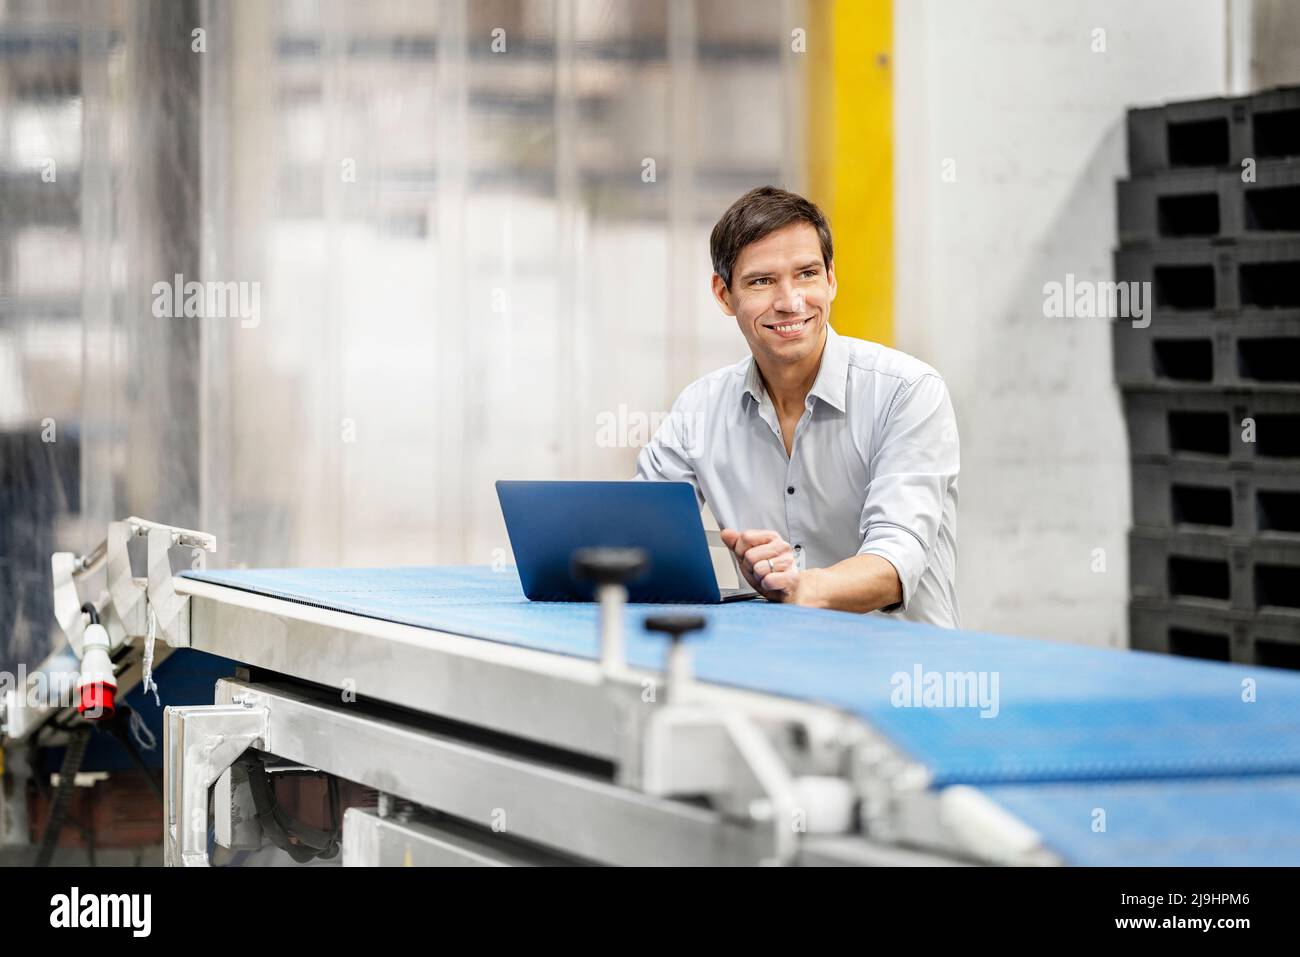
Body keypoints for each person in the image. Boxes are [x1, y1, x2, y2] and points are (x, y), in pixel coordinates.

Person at [635, 186, 960, 627]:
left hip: (902, 678)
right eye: (762, 281)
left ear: (831, 278)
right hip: (776, 677)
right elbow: (640, 539)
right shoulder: (700, 408)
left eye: (806, 274)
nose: (790, 302)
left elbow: (895, 561)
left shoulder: (907, 392)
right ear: (724, 294)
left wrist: (799, 587)